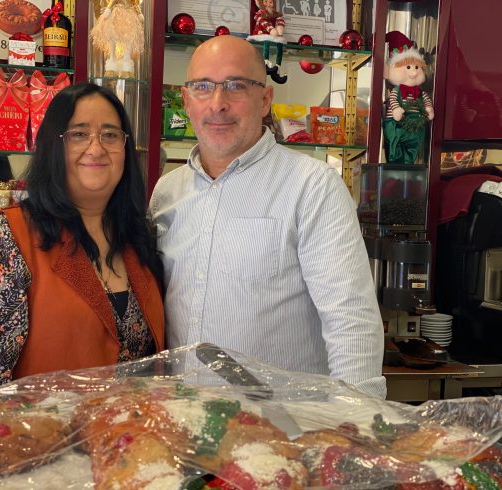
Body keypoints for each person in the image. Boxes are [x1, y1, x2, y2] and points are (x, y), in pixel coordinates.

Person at [149, 35, 386, 398]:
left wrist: (356, 418)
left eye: (236, 86)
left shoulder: (312, 186)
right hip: (185, 414)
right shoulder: (167, 191)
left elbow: (350, 319)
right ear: (186, 99)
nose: (218, 103)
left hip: (283, 421)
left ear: (265, 100)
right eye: (202, 87)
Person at [0, 83, 164, 388]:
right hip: (35, 421)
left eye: (110, 135)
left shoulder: (138, 238)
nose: (96, 148)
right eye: (79, 134)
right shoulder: (2, 240)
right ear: (52, 147)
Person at [383, 31, 434, 164]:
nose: (413, 72)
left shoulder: (421, 92)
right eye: (408, 67)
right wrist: (396, 109)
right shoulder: (396, 90)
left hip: (416, 127)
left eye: (417, 67)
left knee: (413, 149)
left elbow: (427, 101)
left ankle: (408, 165)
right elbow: (393, 100)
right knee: (395, 146)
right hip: (397, 125)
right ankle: (396, 165)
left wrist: (429, 109)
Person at [247, 0, 288, 84]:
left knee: (279, 44)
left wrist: (280, 27)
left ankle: (277, 67)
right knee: (266, 41)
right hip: (261, 32)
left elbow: (280, 20)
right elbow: (263, 22)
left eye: (270, 2)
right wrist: (271, 29)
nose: (268, 4)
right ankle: (266, 63)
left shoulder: (275, 13)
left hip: (273, 34)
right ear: (262, 3)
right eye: (266, 2)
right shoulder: (261, 13)